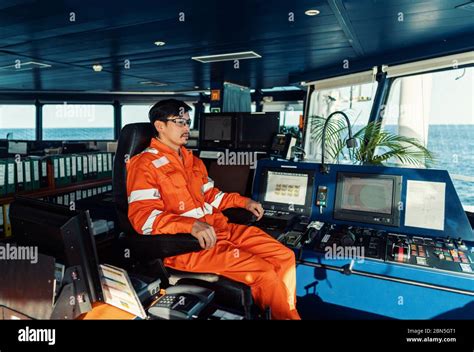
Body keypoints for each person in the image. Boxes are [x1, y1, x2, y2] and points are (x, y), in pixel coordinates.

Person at [126, 99, 300, 320]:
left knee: (284, 256)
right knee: (263, 272)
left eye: (188, 122)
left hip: (221, 230)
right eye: (180, 122)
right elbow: (144, 219)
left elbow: (211, 196)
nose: (187, 128)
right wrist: (191, 225)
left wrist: (242, 202)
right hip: (188, 246)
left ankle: (285, 312)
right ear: (160, 126)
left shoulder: (191, 160)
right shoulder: (143, 165)